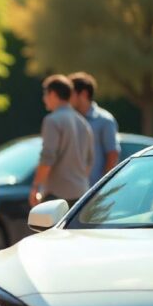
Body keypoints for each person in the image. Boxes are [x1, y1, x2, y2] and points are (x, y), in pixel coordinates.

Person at [29, 74, 94, 207]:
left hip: (57, 195)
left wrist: (36, 186)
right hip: (81, 194)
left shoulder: (52, 120)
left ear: (52, 94)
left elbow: (48, 157)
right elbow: (89, 161)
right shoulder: (83, 122)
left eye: (45, 94)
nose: (44, 99)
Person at [68, 71, 120, 186]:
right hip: (73, 189)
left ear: (84, 94)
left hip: (94, 192)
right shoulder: (70, 120)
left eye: (70, 94)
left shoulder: (105, 120)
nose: (67, 98)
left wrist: (102, 187)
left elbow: (112, 154)